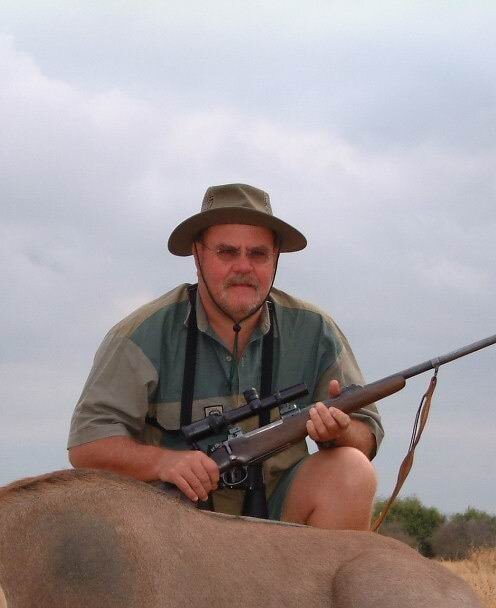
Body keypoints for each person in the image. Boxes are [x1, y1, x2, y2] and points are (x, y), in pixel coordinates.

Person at [68, 183, 382, 529]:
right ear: (197, 254)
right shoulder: (139, 335)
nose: (243, 267)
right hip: (170, 530)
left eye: (258, 254)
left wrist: (336, 433)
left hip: (282, 529)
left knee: (352, 471)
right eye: (227, 252)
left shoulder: (315, 330)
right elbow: (88, 445)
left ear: (276, 257)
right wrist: (164, 463)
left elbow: (367, 436)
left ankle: (311, 584)